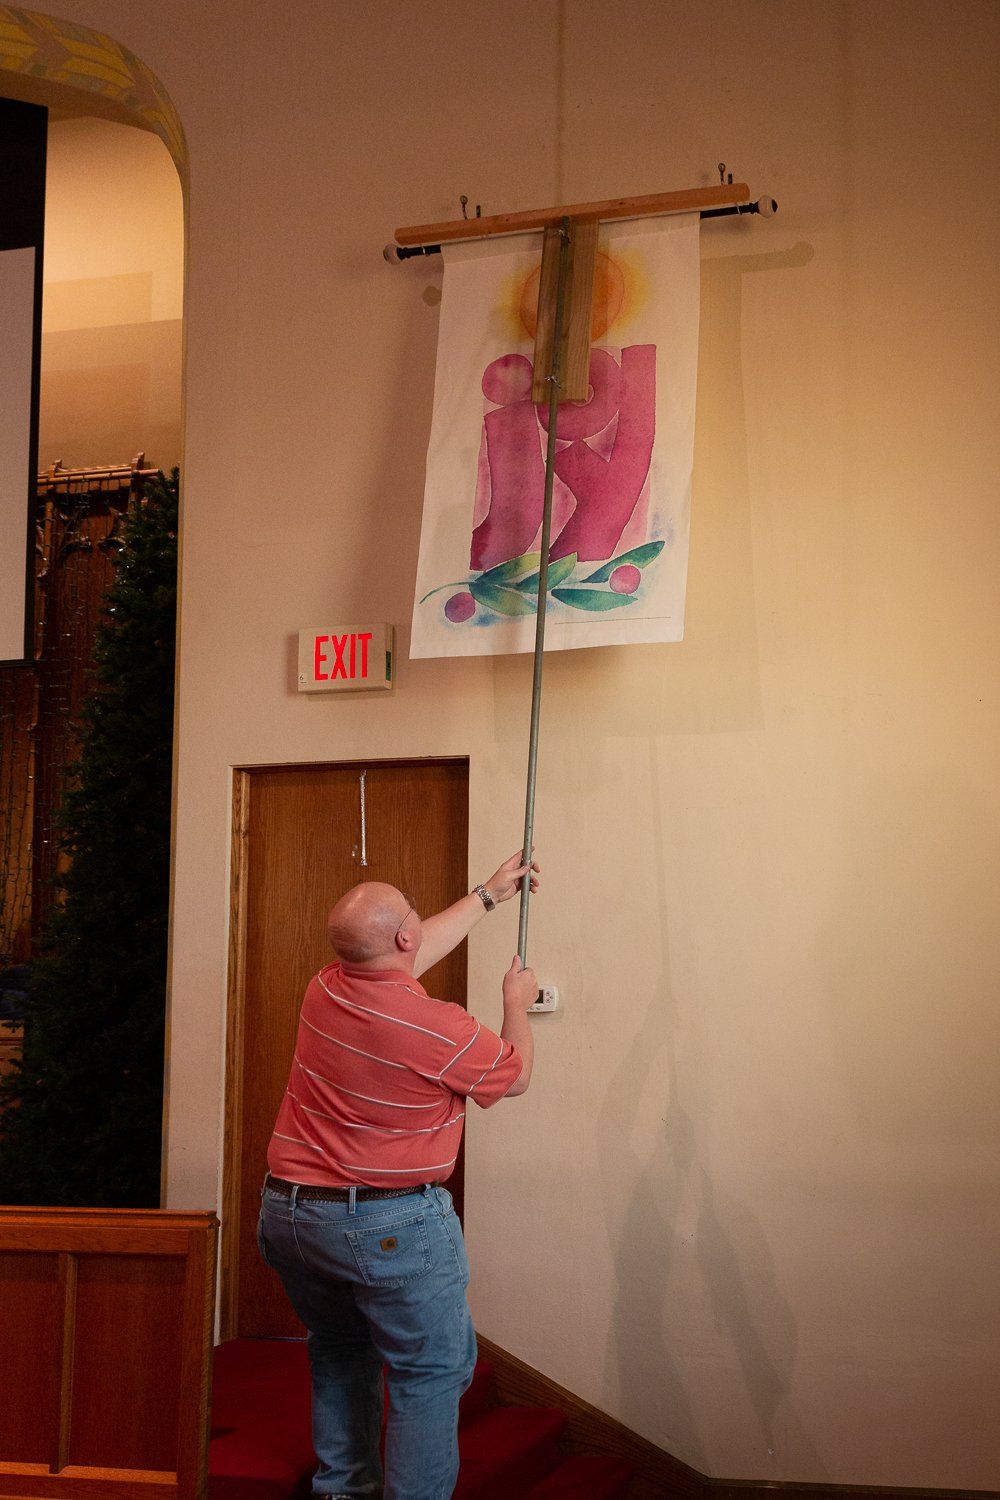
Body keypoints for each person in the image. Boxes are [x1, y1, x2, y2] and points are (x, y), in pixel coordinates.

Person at [258, 850, 541, 1500]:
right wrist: (515, 1003)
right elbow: (516, 1076)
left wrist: (488, 896)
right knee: (432, 1371)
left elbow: (408, 945)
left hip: (290, 1217)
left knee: (338, 1347)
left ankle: (344, 1492)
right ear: (405, 937)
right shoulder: (435, 1027)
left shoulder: (325, 986)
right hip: (384, 1224)